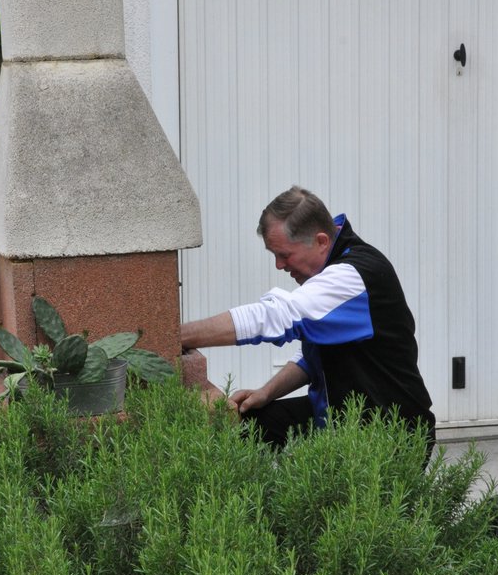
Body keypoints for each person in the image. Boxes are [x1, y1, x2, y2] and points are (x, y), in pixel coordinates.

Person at [180, 186, 435, 456]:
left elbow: (276, 316)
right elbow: (312, 354)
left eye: (284, 255)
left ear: (322, 241)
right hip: (338, 415)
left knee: (333, 493)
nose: (279, 265)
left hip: (390, 431)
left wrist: (176, 336)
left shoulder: (353, 276)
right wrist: (266, 393)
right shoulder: (336, 267)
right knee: (252, 426)